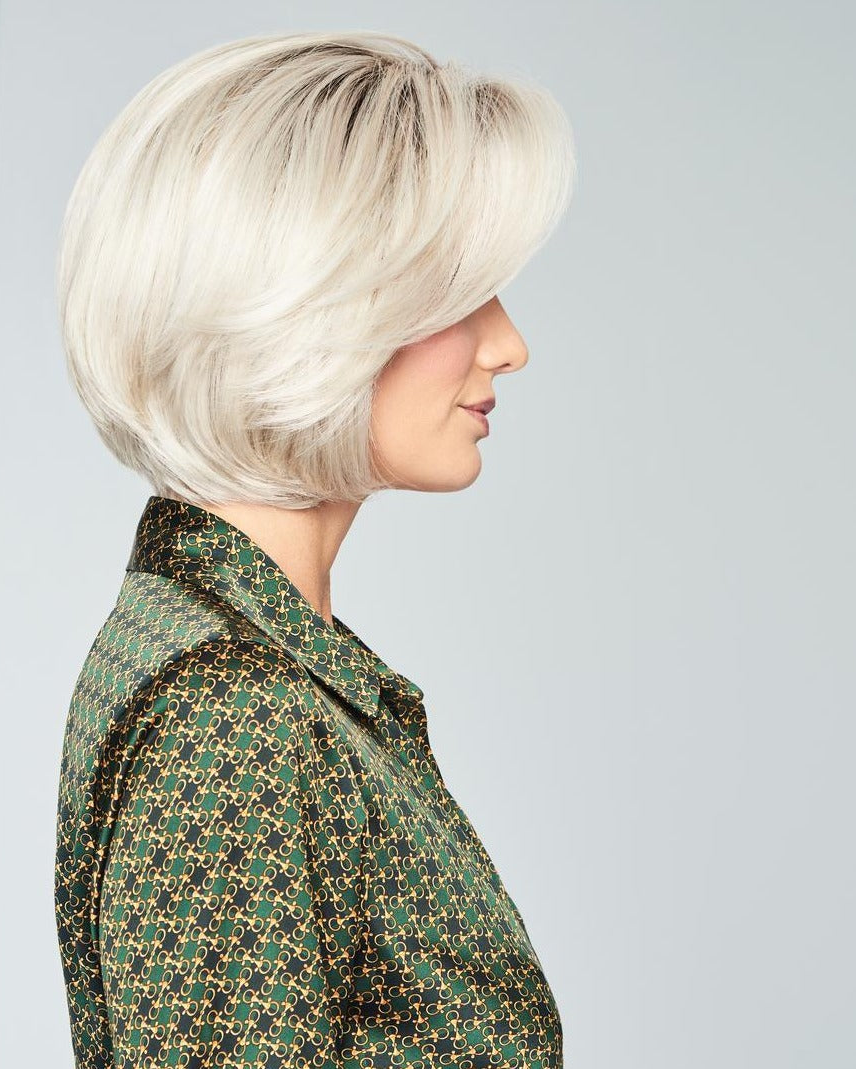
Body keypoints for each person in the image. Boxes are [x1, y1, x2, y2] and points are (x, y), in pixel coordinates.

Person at [53, 29, 576, 1069]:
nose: (508, 344)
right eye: (459, 293)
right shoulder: (234, 712)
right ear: (309, 308)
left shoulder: (242, 658)